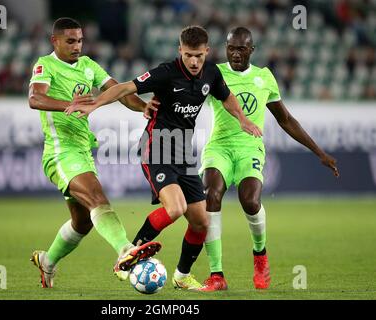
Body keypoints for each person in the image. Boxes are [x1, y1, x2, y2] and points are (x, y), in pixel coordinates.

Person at [66, 25, 262, 290]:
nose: (194, 61)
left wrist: (242, 118)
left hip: (183, 151)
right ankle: (128, 254)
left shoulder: (212, 73)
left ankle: (181, 276)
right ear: (180, 50)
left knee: (201, 221)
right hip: (156, 146)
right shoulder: (166, 73)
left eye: (199, 56)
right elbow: (125, 87)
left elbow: (227, 97)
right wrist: (96, 103)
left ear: (207, 52)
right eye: (189, 55)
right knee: (176, 208)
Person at [198, 27, 340, 291]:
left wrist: (319, 152)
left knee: (250, 201)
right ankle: (216, 274)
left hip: (250, 148)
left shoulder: (264, 78)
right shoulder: (213, 72)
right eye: (231, 48)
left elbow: (285, 120)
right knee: (212, 195)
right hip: (218, 147)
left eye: (241, 49)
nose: (235, 54)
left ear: (252, 50)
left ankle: (260, 255)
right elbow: (189, 99)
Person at [28, 17, 161, 288]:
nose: (77, 46)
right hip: (60, 151)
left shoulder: (88, 66)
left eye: (79, 40)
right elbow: (35, 98)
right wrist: (71, 104)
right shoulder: (46, 64)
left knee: (82, 222)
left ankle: (47, 262)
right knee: (98, 199)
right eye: (70, 41)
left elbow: (119, 91)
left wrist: (142, 106)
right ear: (55, 41)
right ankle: (125, 250)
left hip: (82, 151)